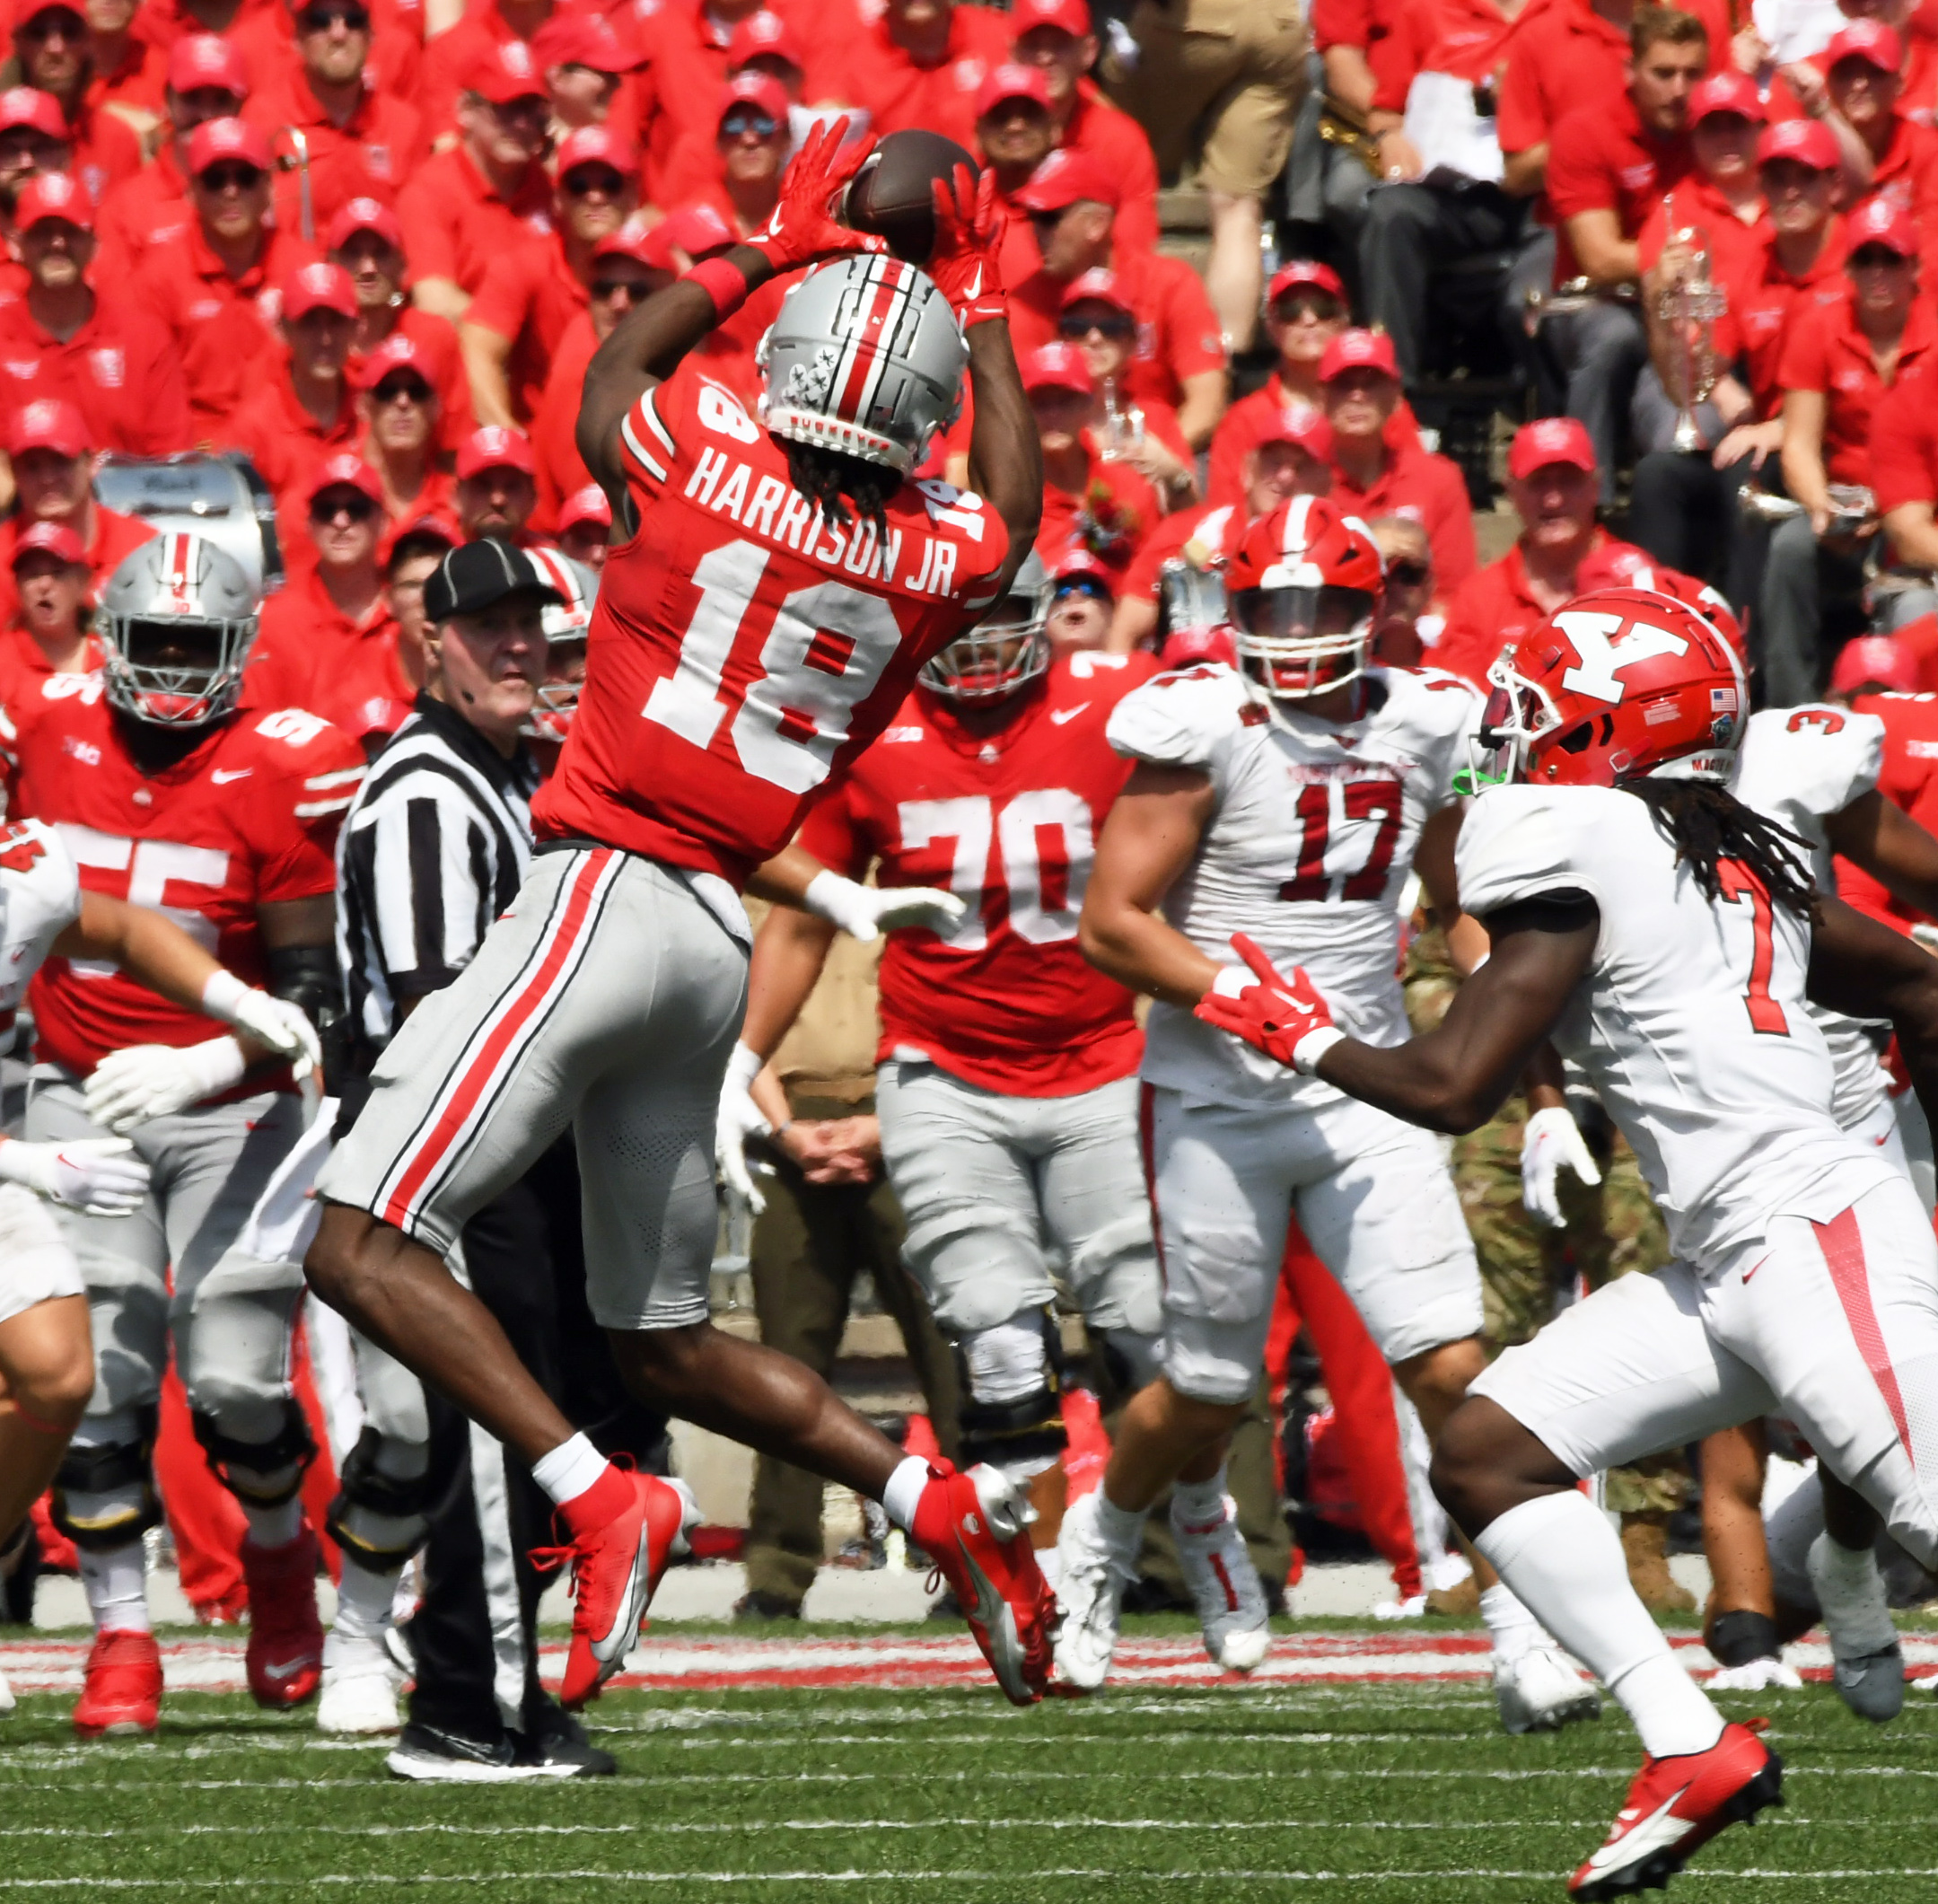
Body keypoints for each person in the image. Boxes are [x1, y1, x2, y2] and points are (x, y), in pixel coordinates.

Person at [303, 128, 1057, 1709]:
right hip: (713, 936)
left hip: (596, 893)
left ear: (785, 362)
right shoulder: (931, 558)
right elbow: (1010, 505)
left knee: (357, 1243)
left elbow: (601, 366)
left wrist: (771, 245)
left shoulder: (702, 444)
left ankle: (600, 1493)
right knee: (661, 1345)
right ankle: (940, 1506)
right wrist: (980, 293)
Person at [1192, 583, 1938, 1891]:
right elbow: (1921, 984)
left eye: (1538, 716)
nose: (1510, 738)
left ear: (1609, 729)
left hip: (1803, 1232)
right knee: (1485, 1451)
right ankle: (1684, 1742)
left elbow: (1449, 1085)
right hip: (1732, 1265)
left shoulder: (1581, 837)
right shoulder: (1720, 848)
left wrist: (1293, 1026)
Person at [1067, 496, 1598, 1730]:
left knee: (1453, 1367)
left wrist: (1536, 1087)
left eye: (1321, 607)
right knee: (1205, 1391)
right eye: (1272, 607)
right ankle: (1103, 1540)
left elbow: (1476, 909)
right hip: (1215, 1093)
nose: (1297, 632)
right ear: (1232, 611)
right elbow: (1112, 923)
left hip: (1364, 1090)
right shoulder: (1201, 722)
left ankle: (1518, 1635)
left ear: (1372, 609)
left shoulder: (1428, 721)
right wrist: (1250, 1002)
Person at [732, 560, 1215, 1646]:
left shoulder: (1121, 702)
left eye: (1004, 617)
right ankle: (1035, 1589)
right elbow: (805, 914)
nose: (982, 642)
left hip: (1100, 1057)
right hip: (942, 1067)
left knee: (1149, 1326)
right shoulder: (868, 725)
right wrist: (743, 1058)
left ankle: (1191, 1530)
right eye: (960, 618)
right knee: (997, 1349)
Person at [6, 533, 364, 1738]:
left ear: (239, 652)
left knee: (233, 1383)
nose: (164, 669)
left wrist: (210, 1057)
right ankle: (120, 1631)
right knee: (97, 1374)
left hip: (235, 1100)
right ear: (106, 641)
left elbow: (312, 992)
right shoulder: (46, 734)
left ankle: (274, 1551)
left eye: (187, 646)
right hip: (71, 1088)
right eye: (146, 642)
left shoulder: (283, 764)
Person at [329, 538, 641, 1772]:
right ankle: (466, 1702)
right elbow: (436, 1014)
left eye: (532, 624)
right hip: (445, 1156)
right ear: (430, 642)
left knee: (541, 1419)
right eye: (486, 625)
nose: (515, 645)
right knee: (482, 1429)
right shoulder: (425, 792)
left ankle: (494, 1685)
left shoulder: (516, 775)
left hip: (510, 1142)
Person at [0, 814, 321, 1718]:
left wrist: (238, 1007)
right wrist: (24, 1162)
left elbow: (124, 928)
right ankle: (120, 1629)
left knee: (63, 1378)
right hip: (15, 1150)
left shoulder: (22, 876)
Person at [1765, 197, 1933, 706]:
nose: (1878, 272)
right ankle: (1789, 707)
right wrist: (1822, 508)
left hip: (1923, 508)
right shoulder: (1819, 328)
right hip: (1848, 502)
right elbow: (1798, 441)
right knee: (1790, 548)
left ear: (1916, 267)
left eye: (1892, 260)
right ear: (1849, 267)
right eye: (1866, 259)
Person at [1540, 7, 1705, 501]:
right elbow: (1600, 258)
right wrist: (1679, 261)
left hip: (1687, 303)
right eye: (1663, 73)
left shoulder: (1715, 133)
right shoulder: (1585, 132)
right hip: (1600, 302)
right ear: (1630, 73)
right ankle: (1588, 500)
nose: (1680, 89)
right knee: (1612, 339)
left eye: (1693, 74)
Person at [1100, 0, 1307, 354]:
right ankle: (1224, 357)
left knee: (1123, 141)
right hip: (1281, 23)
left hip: (1199, 22)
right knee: (1238, 204)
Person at [1009, 148, 1228, 451]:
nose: (1036, 232)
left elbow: (1206, 405)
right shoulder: (1025, 298)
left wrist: (1144, 469)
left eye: (1049, 219)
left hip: (1156, 454)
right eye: (1033, 219)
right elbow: (1012, 413)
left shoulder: (1169, 284)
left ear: (1097, 224)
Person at [131, 114, 320, 440]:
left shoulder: (303, 268)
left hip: (289, 440)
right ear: (192, 191)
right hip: (199, 453)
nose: (231, 192)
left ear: (267, 187)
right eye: (216, 180)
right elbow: (151, 395)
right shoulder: (158, 278)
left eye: (245, 177)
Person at [1436, 417, 1649, 687]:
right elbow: (1456, 703)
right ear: (1512, 491)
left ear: (1596, 486)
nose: (1553, 500)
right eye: (1538, 483)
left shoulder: (1639, 582)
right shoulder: (1478, 599)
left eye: (1569, 481)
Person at [0, 171, 191, 458]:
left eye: (71, 232)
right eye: (42, 232)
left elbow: (173, 459)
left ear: (94, 245)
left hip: (132, 500)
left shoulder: (144, 338)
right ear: (17, 244)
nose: (57, 243)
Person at [460, 124, 639, 429]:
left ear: (634, 195)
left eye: (610, 184)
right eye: (579, 185)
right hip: (548, 447)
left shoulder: (657, 272)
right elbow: (476, 350)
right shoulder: (524, 265)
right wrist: (510, 440)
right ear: (557, 199)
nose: (595, 198)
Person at [244, 456, 414, 751]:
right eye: (327, 510)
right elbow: (256, 730)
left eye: (357, 510)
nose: (341, 522)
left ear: (384, 522)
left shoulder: (411, 610)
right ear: (309, 524)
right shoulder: (275, 621)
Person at [394, 42, 553, 325]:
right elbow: (434, 299)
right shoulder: (429, 191)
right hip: (465, 356)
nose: (522, 124)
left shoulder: (555, 189)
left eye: (532, 110)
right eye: (506, 108)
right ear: (465, 110)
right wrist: (512, 333)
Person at [241, 0, 425, 242]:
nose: (339, 34)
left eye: (353, 20)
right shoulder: (262, 119)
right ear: (296, 38)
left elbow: (419, 236)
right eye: (320, 20)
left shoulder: (405, 125)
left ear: (372, 35)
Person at [1319, 329, 1477, 592]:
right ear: (1322, 397)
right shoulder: (1302, 483)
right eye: (1343, 384)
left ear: (1395, 396)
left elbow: (1455, 595)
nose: (1357, 396)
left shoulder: (1439, 480)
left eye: (1371, 383)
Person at [1004, 0, 1160, 255]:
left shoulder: (1121, 140)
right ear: (1013, 52)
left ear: (1088, 51)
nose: (1045, 58)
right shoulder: (991, 134)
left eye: (1060, 44)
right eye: (1033, 46)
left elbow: (1134, 255)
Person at [92, 32, 249, 283]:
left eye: (221, 100)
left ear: (240, 106)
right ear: (167, 99)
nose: (206, 115)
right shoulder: (125, 208)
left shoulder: (263, 192)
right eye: (192, 98)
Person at [222, 259, 362, 534]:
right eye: (310, 323)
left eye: (335, 323)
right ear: (285, 330)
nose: (325, 338)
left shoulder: (372, 409)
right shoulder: (252, 429)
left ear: (355, 329)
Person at [0, 399, 155, 627]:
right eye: (32, 466)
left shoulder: (144, 552)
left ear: (91, 464)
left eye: (60, 462)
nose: (47, 478)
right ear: (15, 475)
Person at [1024, 341, 1162, 574]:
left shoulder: (1131, 489)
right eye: (1040, 402)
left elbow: (1150, 578)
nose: (1054, 413)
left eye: (1067, 401)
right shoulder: (1013, 504)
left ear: (1089, 406)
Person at [354, 334, 453, 529]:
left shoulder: (457, 500)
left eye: (416, 391)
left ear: (435, 407)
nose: (403, 402)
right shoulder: (333, 500)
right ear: (363, 407)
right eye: (388, 391)